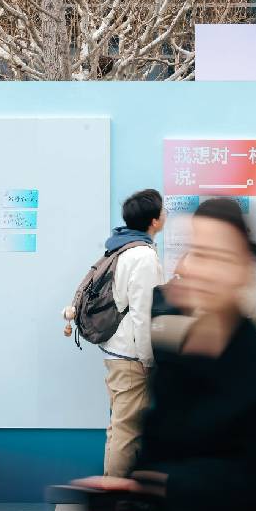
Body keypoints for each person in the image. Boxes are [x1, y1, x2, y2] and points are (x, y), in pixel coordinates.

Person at [76, 198, 256, 511]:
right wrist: (133, 493)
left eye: (214, 256)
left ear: (242, 271)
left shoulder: (254, 368)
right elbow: (162, 444)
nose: (193, 266)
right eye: (193, 251)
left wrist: (161, 487)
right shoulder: (178, 350)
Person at [98, 189, 166, 478]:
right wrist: (148, 361)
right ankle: (115, 495)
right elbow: (143, 314)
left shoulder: (121, 247)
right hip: (131, 356)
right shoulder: (143, 256)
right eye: (162, 211)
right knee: (127, 430)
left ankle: (114, 489)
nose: (165, 214)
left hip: (116, 350)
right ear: (154, 221)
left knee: (119, 426)